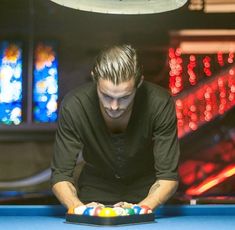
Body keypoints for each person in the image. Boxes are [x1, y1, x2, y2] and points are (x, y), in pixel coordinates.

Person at [51, 44, 180, 211]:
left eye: (125, 97)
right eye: (106, 95)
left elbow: (168, 176)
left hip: (148, 192)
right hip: (95, 190)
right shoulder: (74, 106)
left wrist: (140, 209)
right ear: (94, 79)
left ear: (139, 83)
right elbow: (60, 175)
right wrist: (78, 208)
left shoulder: (159, 103)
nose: (114, 106)